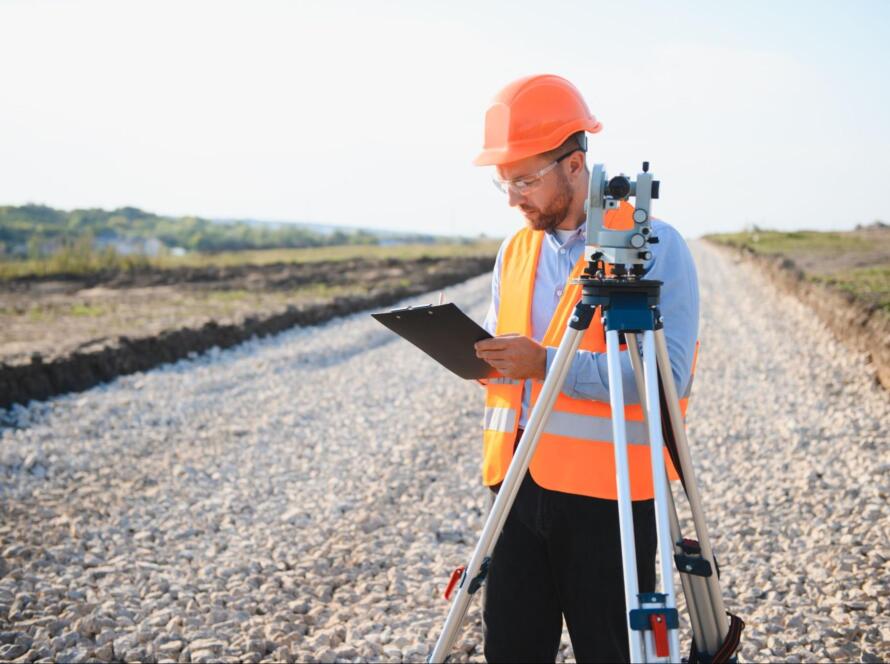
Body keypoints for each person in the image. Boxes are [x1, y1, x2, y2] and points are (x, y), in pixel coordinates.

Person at [471, 74, 700, 663]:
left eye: (525, 179)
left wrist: (545, 364)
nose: (512, 197)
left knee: (613, 652)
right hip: (517, 488)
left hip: (610, 498)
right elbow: (510, 358)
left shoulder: (651, 246)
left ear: (575, 166)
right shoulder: (515, 250)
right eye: (504, 181)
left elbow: (663, 383)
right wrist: (487, 362)